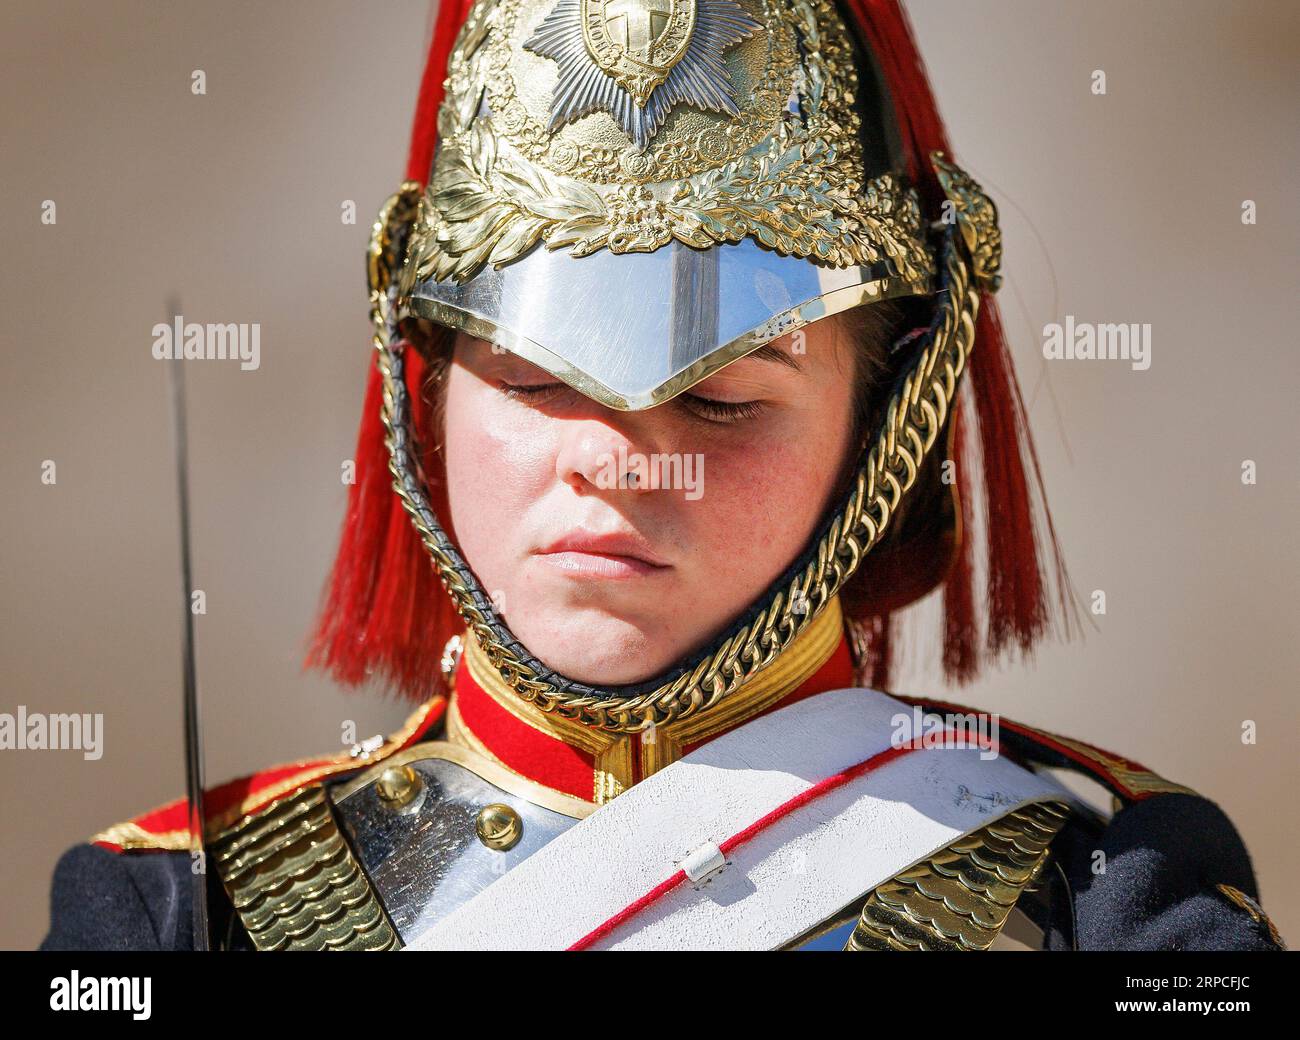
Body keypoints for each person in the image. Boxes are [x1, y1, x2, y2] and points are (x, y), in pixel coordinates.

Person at [42, 0, 1283, 951]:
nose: (613, 459)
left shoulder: (1107, 893)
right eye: (534, 380)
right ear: (424, 382)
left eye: (725, 396)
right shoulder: (174, 910)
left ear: (884, 418)